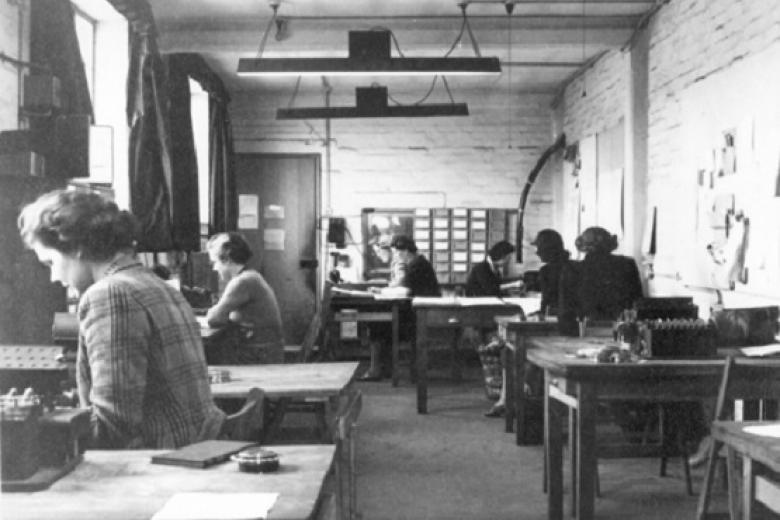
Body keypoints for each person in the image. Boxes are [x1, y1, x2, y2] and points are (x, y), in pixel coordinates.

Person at [17, 189, 225, 449]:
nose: (54, 278)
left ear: (78, 247)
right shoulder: (154, 284)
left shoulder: (111, 294)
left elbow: (113, 429)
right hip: (190, 450)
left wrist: (27, 428)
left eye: (50, 263)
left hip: (156, 467)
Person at [362, 235, 440, 381]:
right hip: (419, 311)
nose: (396, 256)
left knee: (377, 325)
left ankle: (378, 370)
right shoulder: (417, 262)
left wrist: (381, 291)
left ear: (405, 251)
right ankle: (383, 369)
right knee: (380, 324)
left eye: (397, 253)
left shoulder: (417, 264)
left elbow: (405, 290)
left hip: (422, 315)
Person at [205, 232, 285, 365]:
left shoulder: (243, 281)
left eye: (216, 262)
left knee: (209, 357)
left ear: (228, 260)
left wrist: (213, 312)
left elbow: (213, 319)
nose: (215, 268)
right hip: (264, 351)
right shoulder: (251, 276)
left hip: (260, 356)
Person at [464, 241, 524, 417]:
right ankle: (499, 388)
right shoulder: (482, 268)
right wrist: (512, 287)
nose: (508, 262)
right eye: (508, 258)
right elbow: (491, 290)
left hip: (487, 311)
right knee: (498, 341)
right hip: (479, 313)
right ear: (502, 256)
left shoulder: (491, 268)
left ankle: (501, 391)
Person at [574, 226, 643, 322]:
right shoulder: (627, 264)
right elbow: (638, 300)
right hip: (622, 325)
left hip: (587, 327)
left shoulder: (575, 270)